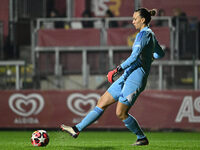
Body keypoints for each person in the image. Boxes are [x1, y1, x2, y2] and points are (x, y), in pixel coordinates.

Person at [61, 7, 165, 146]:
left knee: (121, 113)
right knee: (102, 102)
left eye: (135, 19)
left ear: (143, 19)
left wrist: (116, 70)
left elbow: (134, 57)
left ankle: (141, 138)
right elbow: (160, 54)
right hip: (127, 76)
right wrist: (151, 57)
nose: (132, 21)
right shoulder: (150, 35)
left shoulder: (144, 35)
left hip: (135, 79)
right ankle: (76, 129)